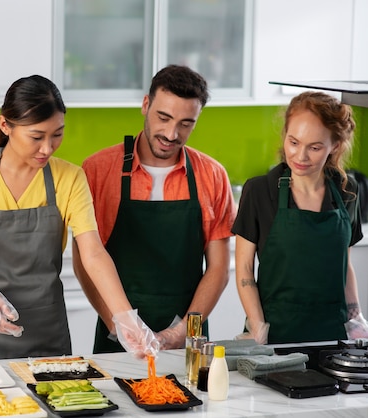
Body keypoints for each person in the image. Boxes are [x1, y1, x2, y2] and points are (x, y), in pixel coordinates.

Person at [0, 75, 158, 361]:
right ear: (6, 126)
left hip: (48, 336)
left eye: (57, 134)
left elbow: (93, 254)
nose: (47, 149)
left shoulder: (70, 178)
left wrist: (125, 316)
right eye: (36, 137)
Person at [73, 65, 236, 353]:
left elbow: (219, 269)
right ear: (146, 105)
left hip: (187, 338)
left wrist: (184, 330)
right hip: (117, 338)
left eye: (186, 123)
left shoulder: (212, 175)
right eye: (164, 118)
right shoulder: (98, 170)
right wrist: (118, 326)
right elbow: (84, 261)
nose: (172, 133)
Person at [232, 91, 368, 344]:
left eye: (315, 147)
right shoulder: (260, 191)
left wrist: (355, 316)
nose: (300, 156)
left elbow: (344, 264)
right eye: (294, 142)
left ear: (335, 146)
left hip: (332, 336)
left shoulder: (347, 191)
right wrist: (258, 327)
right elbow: (245, 269)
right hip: (275, 335)